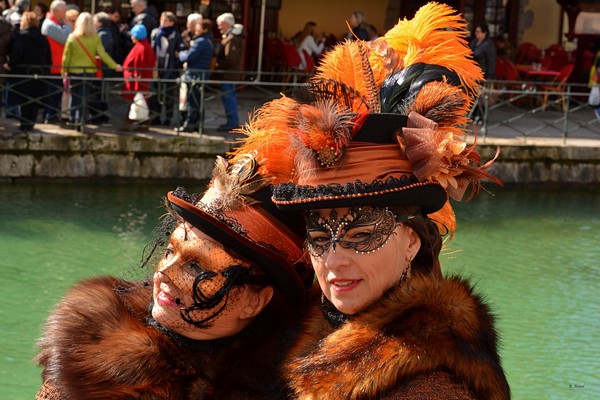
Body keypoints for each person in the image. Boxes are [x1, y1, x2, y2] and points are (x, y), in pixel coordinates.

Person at [233, 3, 511, 398]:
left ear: (412, 241)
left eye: (362, 235)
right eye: (318, 238)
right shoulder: (296, 327)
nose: (333, 260)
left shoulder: (430, 387)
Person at [34, 151, 313, 399]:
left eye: (197, 267)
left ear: (255, 301)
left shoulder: (293, 386)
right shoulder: (87, 352)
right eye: (170, 251)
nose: (165, 273)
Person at [62, 12, 121, 130]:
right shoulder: (95, 38)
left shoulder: (72, 37)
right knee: (84, 96)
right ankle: (81, 120)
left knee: (75, 96)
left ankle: (74, 119)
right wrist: (114, 66)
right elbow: (103, 54)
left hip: (75, 71)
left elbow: (66, 57)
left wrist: (63, 71)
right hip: (89, 71)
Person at [4, 11, 50, 132]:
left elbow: (17, 53)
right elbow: (48, 57)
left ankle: (24, 123)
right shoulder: (42, 38)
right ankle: (31, 122)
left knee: (24, 99)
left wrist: (10, 65)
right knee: (33, 99)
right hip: (38, 73)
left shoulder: (21, 37)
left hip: (23, 72)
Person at [176, 18, 213, 133]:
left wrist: (181, 54)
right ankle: (197, 125)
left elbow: (189, 57)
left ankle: (190, 124)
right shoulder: (208, 41)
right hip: (200, 75)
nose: (196, 30)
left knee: (192, 101)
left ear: (205, 29)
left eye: (198, 28)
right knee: (198, 101)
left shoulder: (200, 42)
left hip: (194, 76)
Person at [150, 11, 184, 127]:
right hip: (156, 66)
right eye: (161, 20)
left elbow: (179, 52)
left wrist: (175, 63)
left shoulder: (175, 35)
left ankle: (168, 118)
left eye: (165, 20)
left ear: (171, 22)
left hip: (169, 68)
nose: (162, 22)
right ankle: (155, 116)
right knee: (155, 94)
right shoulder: (155, 33)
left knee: (168, 95)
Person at [41, 0, 70, 124]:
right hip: (54, 65)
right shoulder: (50, 25)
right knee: (54, 92)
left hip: (57, 64)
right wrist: (68, 25)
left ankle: (51, 115)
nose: (65, 13)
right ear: (57, 11)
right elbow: (65, 39)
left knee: (55, 92)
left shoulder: (53, 23)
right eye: (64, 11)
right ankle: (50, 116)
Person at [121, 24, 155, 129]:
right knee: (139, 103)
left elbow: (139, 65)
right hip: (137, 81)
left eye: (132, 35)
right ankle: (139, 123)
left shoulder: (142, 48)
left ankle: (130, 124)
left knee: (137, 102)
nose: (131, 37)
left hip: (137, 82)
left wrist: (136, 79)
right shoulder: (142, 46)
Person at [215, 12, 244, 131]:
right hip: (229, 74)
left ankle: (232, 122)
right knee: (229, 97)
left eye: (221, 25)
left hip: (229, 74)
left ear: (227, 24)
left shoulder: (232, 39)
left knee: (229, 97)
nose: (219, 27)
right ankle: (231, 121)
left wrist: (218, 64)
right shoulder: (231, 37)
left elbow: (231, 59)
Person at [469, 22, 496, 124]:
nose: (476, 33)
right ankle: (473, 115)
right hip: (472, 74)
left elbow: (492, 61)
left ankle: (481, 117)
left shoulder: (488, 45)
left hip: (483, 74)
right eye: (475, 31)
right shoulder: (474, 42)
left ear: (484, 33)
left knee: (482, 97)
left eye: (478, 31)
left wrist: (490, 77)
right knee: (473, 96)